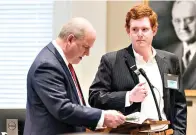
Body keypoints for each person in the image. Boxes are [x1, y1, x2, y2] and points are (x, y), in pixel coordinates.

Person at [89, 4, 187, 135]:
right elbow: (95, 98)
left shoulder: (171, 61)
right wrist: (128, 97)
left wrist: (179, 133)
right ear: (128, 31)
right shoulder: (111, 61)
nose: (139, 34)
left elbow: (179, 103)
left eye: (145, 29)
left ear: (154, 30)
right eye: (134, 29)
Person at [23, 17, 126, 135]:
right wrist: (103, 116)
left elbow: (75, 105)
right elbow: (62, 109)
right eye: (86, 47)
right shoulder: (47, 65)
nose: (88, 53)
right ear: (70, 39)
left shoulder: (60, 61)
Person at [169, 1, 196, 89]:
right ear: (172, 22)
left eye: (189, 19)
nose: (183, 27)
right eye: (177, 21)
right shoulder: (167, 54)